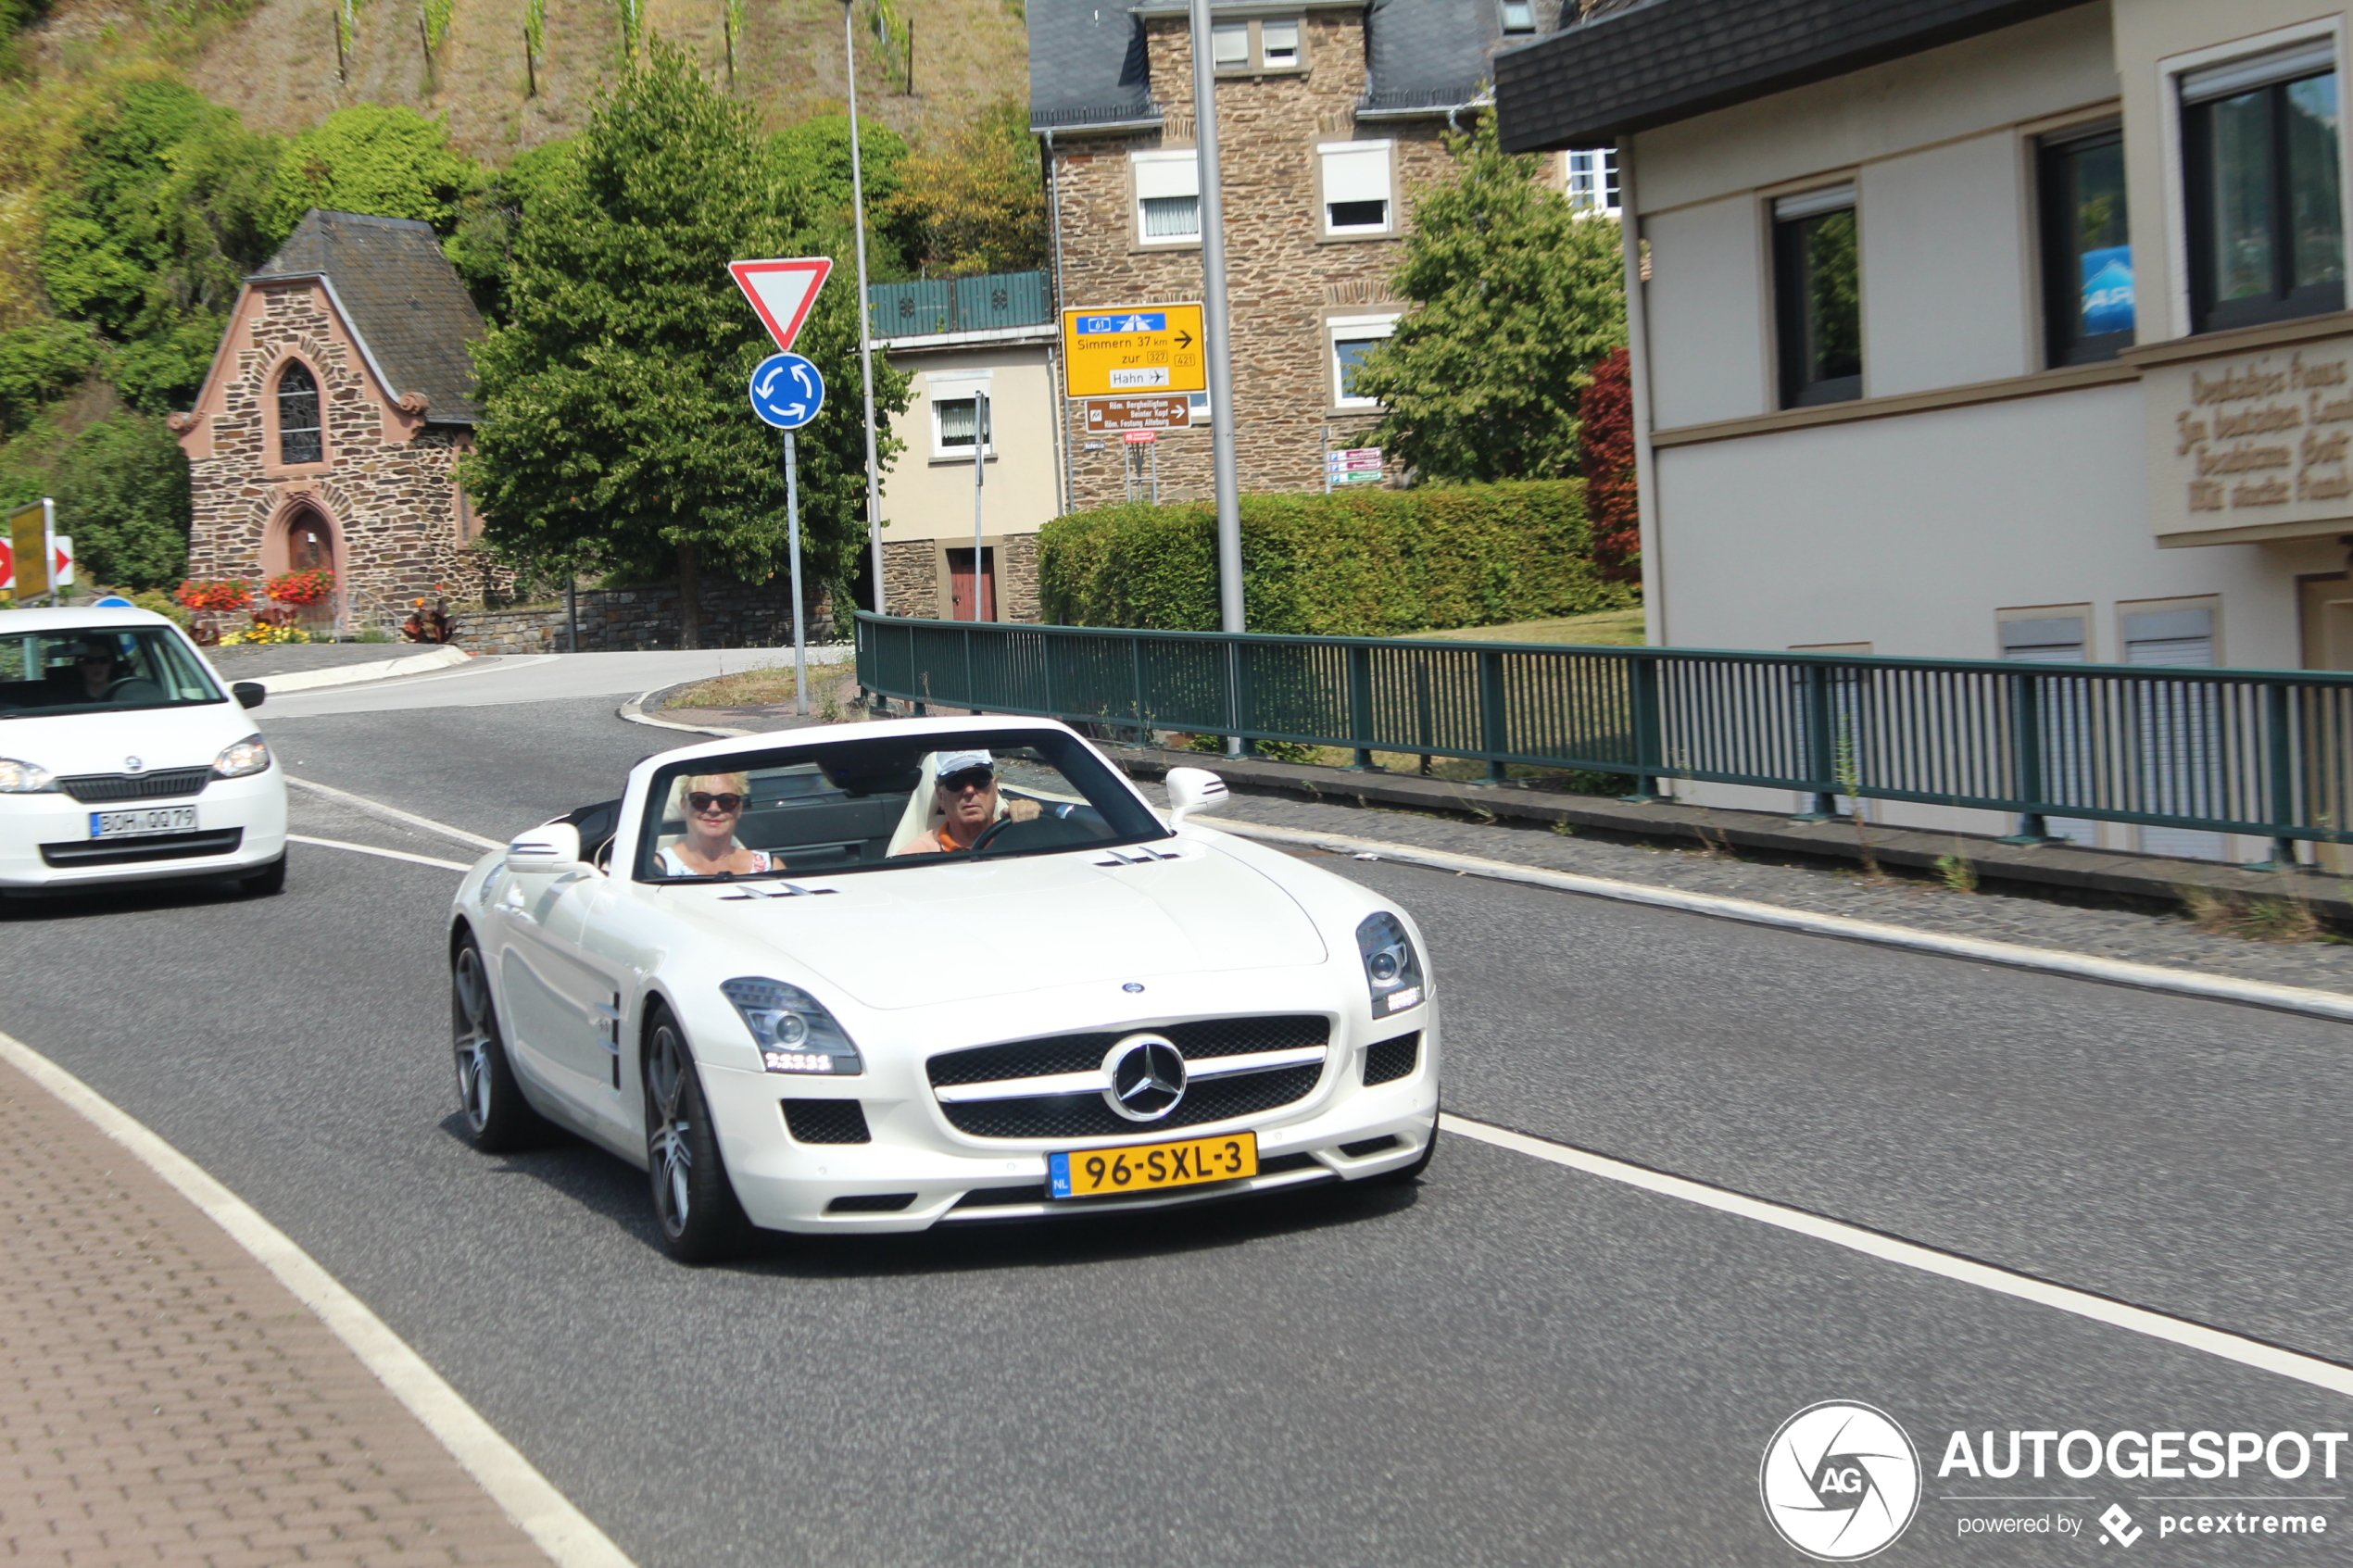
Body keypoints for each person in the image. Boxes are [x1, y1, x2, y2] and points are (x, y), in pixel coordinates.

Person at [894, 750, 1039, 855]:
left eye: (979, 779)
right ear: (941, 797)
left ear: (995, 789)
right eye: (956, 782)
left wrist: (1031, 826)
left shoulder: (1020, 839)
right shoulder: (914, 857)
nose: (969, 790)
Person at [656, 772, 778, 876]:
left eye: (726, 800)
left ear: (739, 808)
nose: (714, 809)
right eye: (701, 800)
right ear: (683, 805)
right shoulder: (657, 868)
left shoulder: (771, 867)